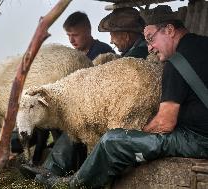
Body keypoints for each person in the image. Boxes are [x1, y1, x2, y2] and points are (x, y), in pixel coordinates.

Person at [36, 5, 208, 188]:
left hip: (197, 140)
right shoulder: (204, 44)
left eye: (151, 39)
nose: (149, 48)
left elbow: (165, 123)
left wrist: (135, 136)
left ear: (170, 30)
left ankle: (72, 185)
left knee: (112, 141)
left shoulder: (175, 64)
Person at [24, 7, 150, 187]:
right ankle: (52, 170)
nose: (112, 40)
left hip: (128, 114)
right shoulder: (129, 53)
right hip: (116, 108)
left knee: (79, 123)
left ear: (127, 35)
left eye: (114, 34)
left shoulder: (137, 55)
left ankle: (57, 173)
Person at [19, 11, 115, 180]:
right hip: (70, 106)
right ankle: (40, 161)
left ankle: (53, 170)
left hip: (92, 108)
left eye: (75, 35)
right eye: (68, 35)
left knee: (71, 126)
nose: (71, 40)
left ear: (87, 31)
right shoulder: (69, 58)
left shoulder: (103, 52)